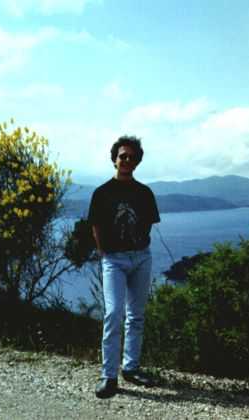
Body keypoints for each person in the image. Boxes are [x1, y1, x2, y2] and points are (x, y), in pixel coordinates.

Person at [88, 135, 160, 399]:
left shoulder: (144, 192)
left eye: (131, 156)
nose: (126, 160)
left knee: (136, 315)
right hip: (114, 260)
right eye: (122, 156)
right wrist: (104, 251)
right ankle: (109, 376)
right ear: (115, 159)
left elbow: (149, 223)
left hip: (141, 257)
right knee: (114, 313)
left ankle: (130, 368)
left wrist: (136, 246)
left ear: (137, 161)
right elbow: (95, 225)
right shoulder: (102, 193)